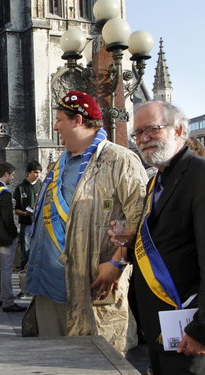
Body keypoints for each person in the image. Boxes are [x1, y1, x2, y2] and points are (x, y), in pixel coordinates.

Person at [25, 90, 148, 353]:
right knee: (52, 364)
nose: (55, 126)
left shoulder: (121, 159)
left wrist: (117, 261)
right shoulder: (59, 163)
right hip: (49, 287)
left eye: (59, 119)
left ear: (78, 120)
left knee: (95, 362)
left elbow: (141, 218)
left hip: (90, 290)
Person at [112, 101, 205, 374]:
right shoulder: (157, 181)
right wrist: (129, 244)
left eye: (152, 129)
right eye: (137, 133)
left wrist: (201, 329)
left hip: (189, 330)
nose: (143, 139)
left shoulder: (199, 175)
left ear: (178, 130)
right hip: (160, 329)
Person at [0, 161, 25, 312]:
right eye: (12, 174)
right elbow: (8, 218)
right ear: (6, 174)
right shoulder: (5, 192)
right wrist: (14, 233)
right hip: (5, 238)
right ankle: (7, 301)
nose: (13, 177)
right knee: (6, 269)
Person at [13, 160, 43, 271]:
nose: (38, 175)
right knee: (26, 251)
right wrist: (25, 213)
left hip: (40, 224)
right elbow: (16, 210)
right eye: (35, 172)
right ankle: (24, 279)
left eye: (39, 172)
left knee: (39, 251)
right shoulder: (20, 188)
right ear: (29, 172)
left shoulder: (43, 186)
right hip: (26, 224)